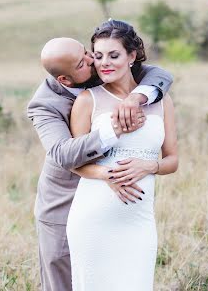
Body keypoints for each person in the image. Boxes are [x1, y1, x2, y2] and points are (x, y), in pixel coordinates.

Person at [27, 32, 174, 291]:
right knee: (65, 281)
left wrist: (135, 98)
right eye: (83, 62)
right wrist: (114, 129)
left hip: (121, 208)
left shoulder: (106, 68)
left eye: (87, 51)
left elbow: (160, 75)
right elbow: (63, 154)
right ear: (64, 79)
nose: (93, 60)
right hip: (64, 202)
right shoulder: (45, 105)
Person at [66, 20, 179, 290]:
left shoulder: (161, 101)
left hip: (138, 222)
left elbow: (173, 160)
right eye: (98, 55)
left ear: (132, 56)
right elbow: (75, 163)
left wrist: (148, 166)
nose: (104, 63)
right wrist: (109, 175)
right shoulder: (87, 100)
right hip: (93, 218)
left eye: (114, 55)